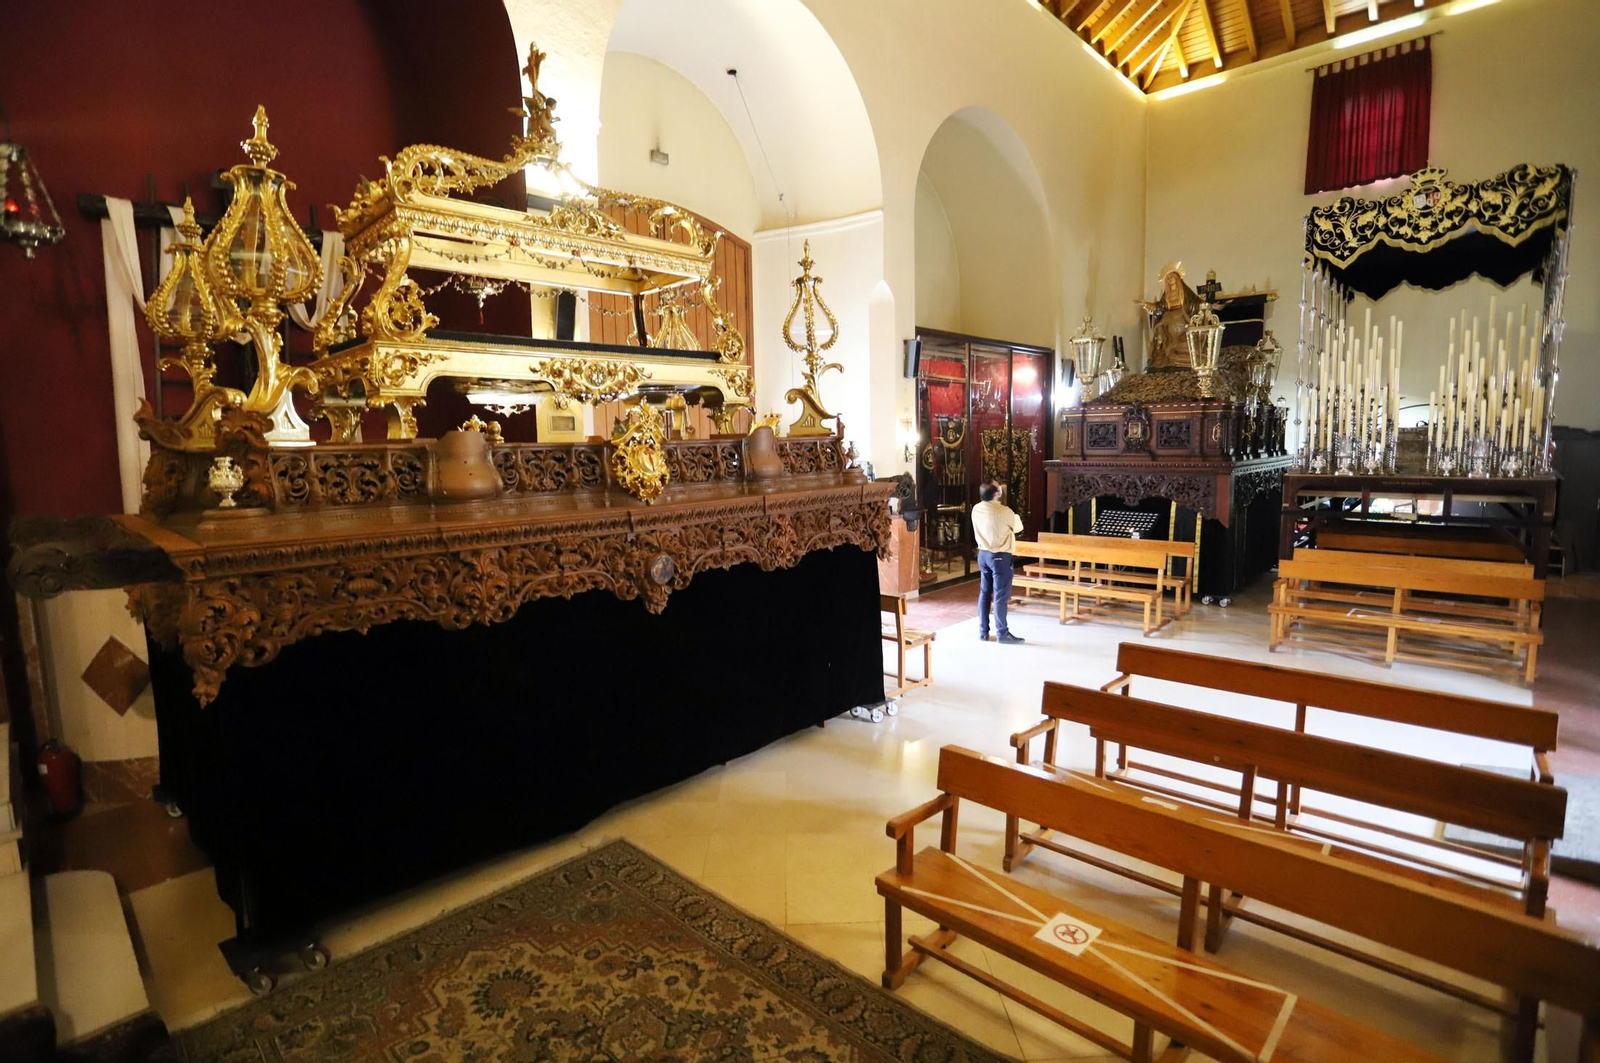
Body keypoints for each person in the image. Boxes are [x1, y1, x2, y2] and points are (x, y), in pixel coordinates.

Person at [972, 480, 1025, 644]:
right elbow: (1018, 528)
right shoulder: (1005, 511)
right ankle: (1002, 633)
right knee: (1001, 596)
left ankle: (983, 632)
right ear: (996, 493)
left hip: (983, 554)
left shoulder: (976, 508)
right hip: (1000, 556)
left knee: (985, 593)